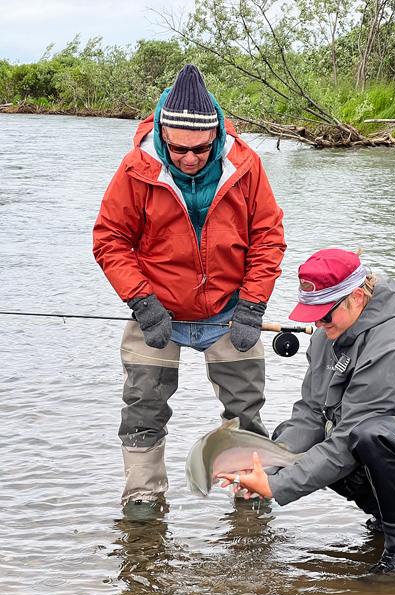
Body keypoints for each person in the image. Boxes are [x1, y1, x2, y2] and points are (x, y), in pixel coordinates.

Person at [218, 248, 395, 574]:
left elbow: (347, 442)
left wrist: (277, 487)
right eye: (312, 313)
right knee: (302, 438)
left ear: (357, 297)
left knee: (369, 437)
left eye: (325, 313)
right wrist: (267, 466)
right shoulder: (326, 337)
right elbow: (310, 414)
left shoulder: (393, 345)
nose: (318, 322)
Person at [93, 64, 285, 516]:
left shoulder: (245, 164)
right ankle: (142, 501)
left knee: (247, 412)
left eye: (201, 149)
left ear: (216, 134)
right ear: (162, 132)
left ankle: (249, 495)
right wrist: (142, 301)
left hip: (230, 309)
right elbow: (109, 239)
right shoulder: (137, 167)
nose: (190, 158)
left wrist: (253, 305)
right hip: (156, 309)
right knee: (142, 408)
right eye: (178, 149)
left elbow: (268, 238)